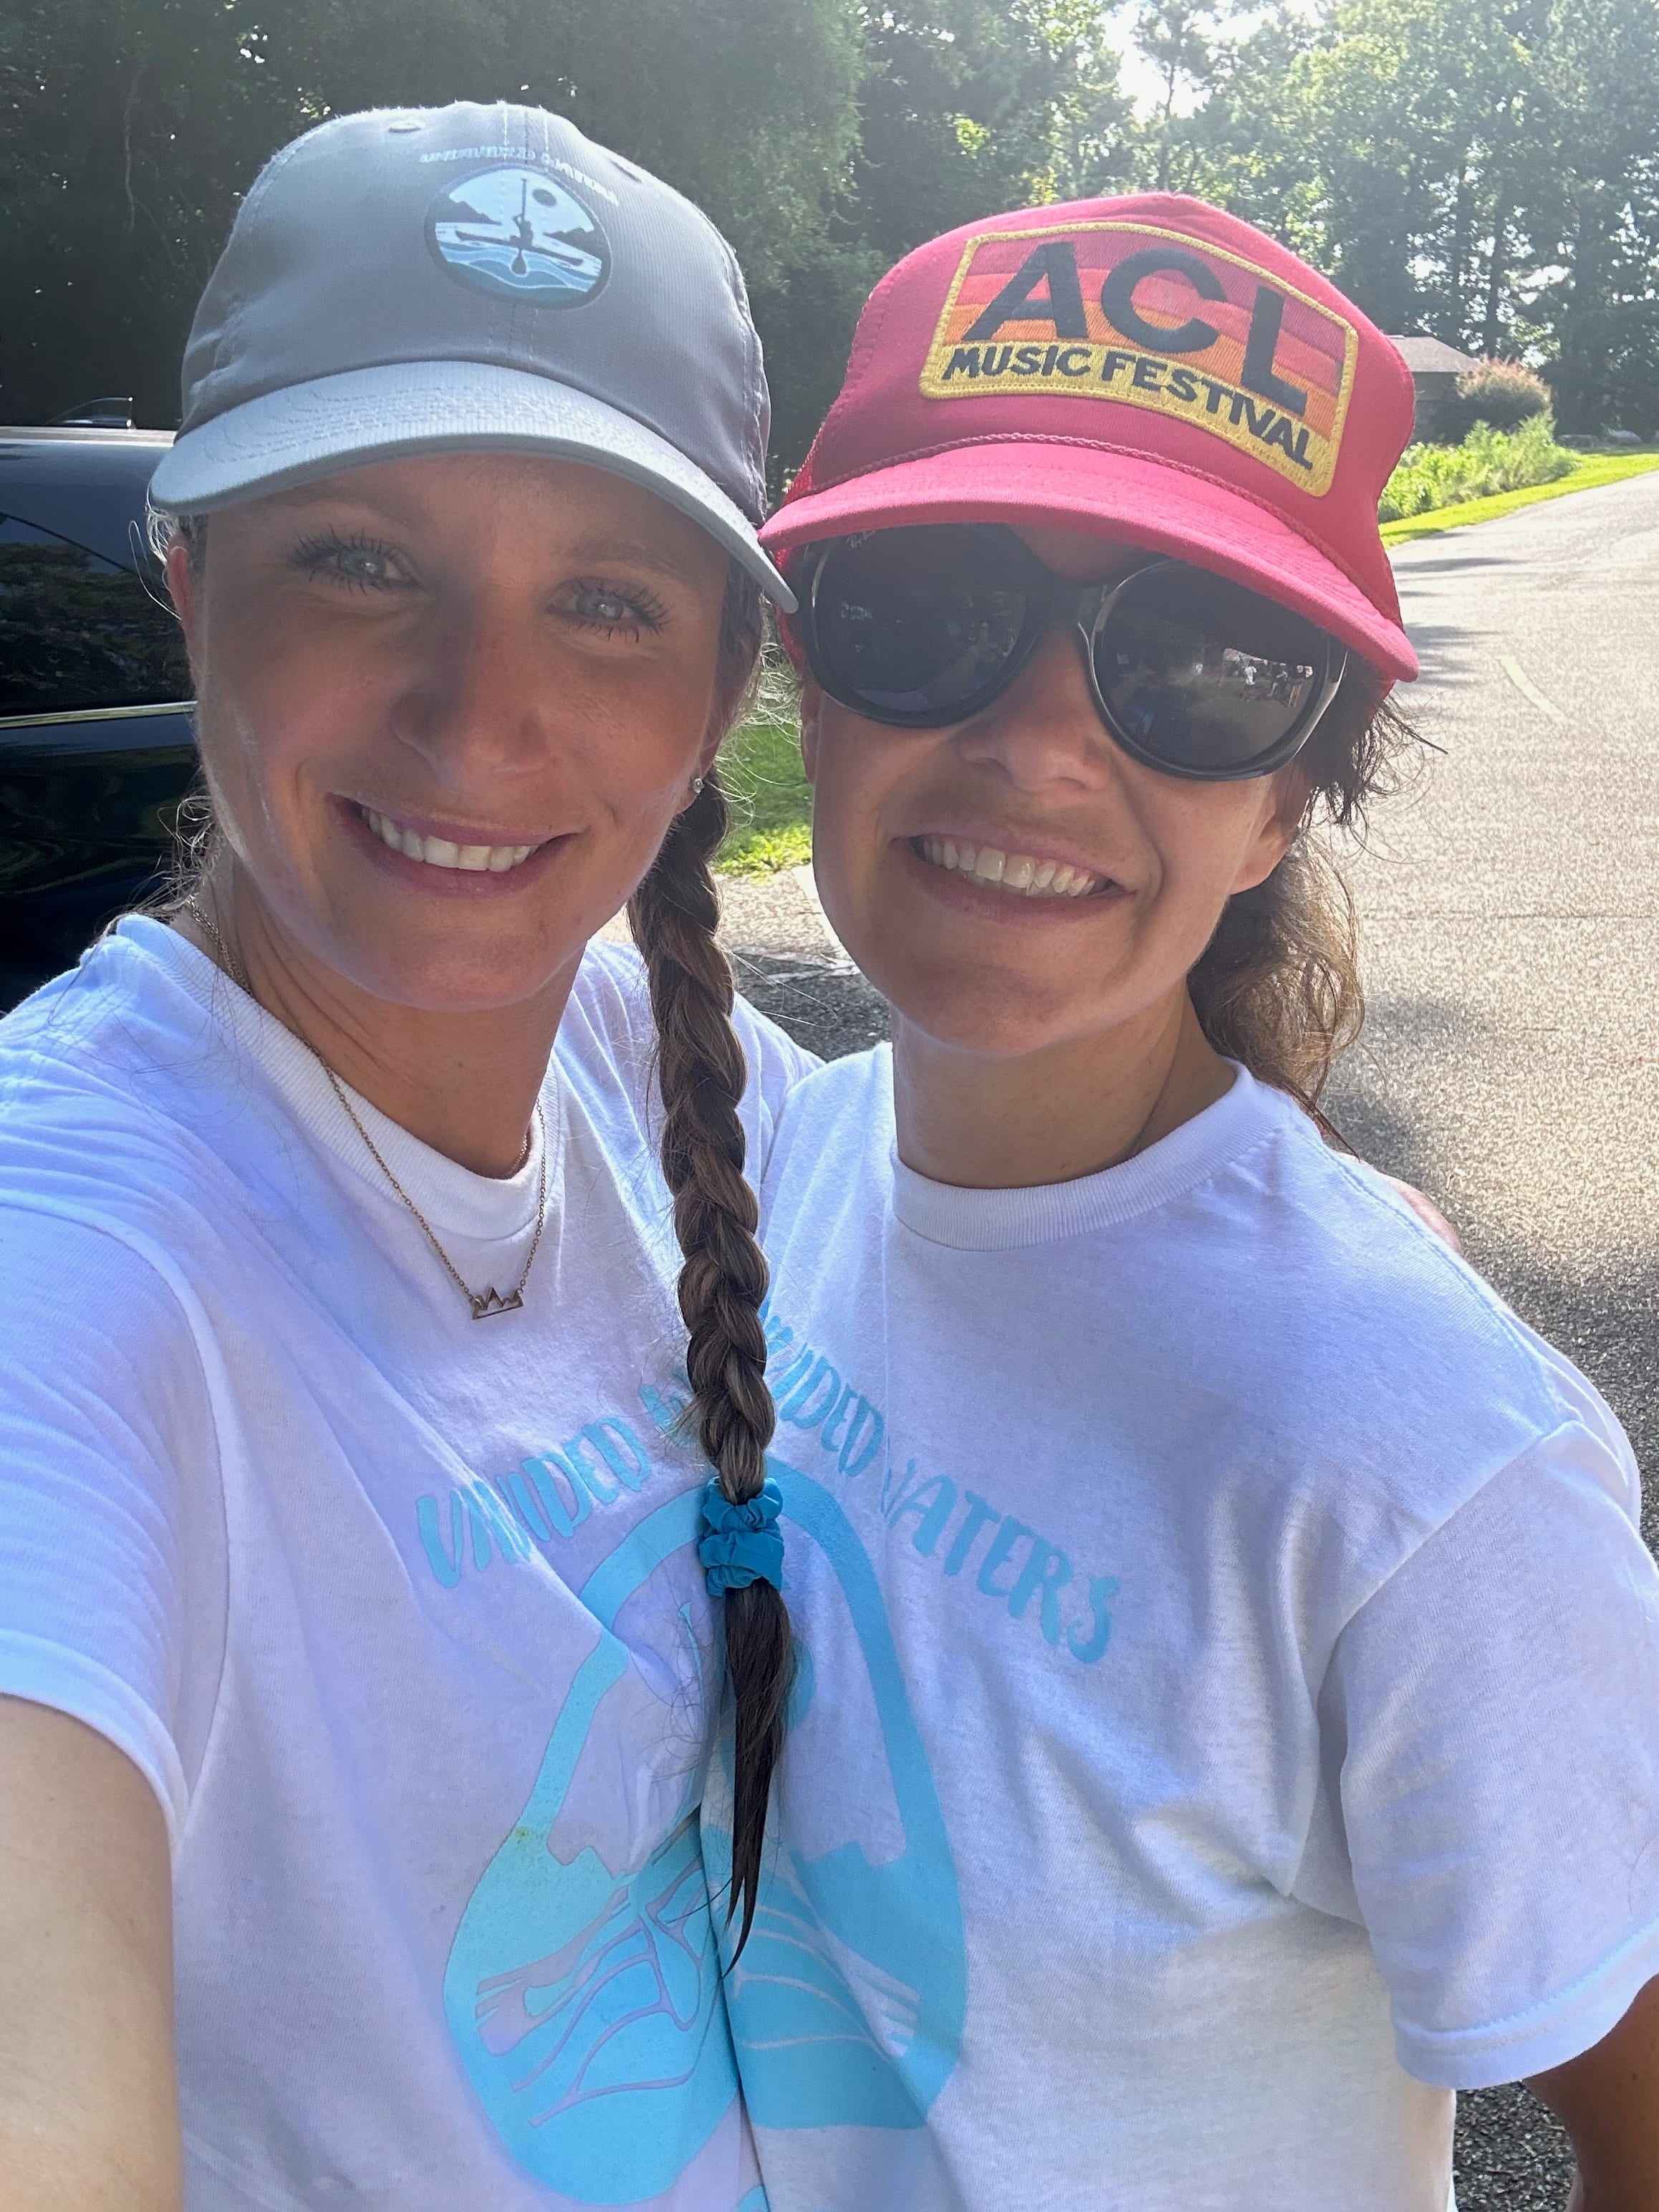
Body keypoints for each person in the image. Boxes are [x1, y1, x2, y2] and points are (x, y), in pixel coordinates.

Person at [702, 194, 1659, 2210]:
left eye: (1201, 663)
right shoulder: (766, 1168)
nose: (1037, 739)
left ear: (1289, 797)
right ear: (803, 666)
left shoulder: (1415, 1463)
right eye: (926, 604)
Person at [0, 103, 800, 2211]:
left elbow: (1021, 1196)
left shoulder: (676, 1072)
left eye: (608, 604)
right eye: (361, 561)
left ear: (725, 684)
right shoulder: (68, 1240)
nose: (476, 713)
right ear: (189, 581)